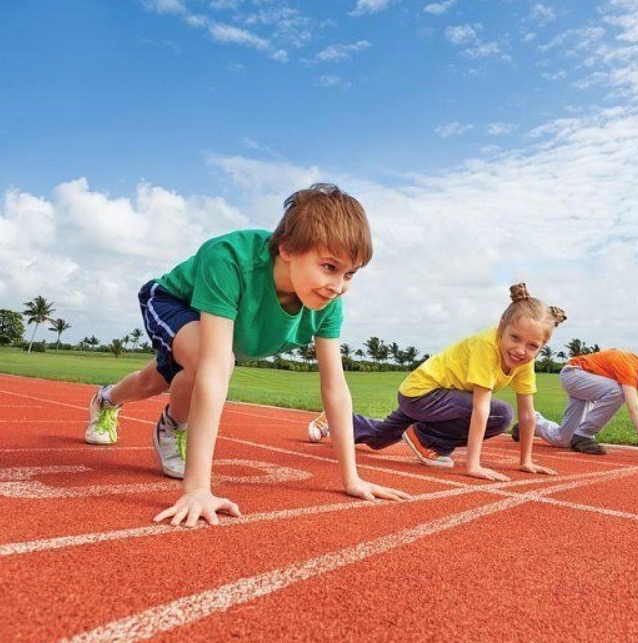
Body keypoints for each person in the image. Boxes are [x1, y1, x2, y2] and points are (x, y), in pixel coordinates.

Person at [85, 183, 411, 527]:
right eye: (329, 266)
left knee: (154, 379)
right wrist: (197, 488)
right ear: (286, 249)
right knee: (213, 365)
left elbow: (335, 388)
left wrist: (352, 479)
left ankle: (106, 399)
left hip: (214, 334)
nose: (338, 285)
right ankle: (173, 427)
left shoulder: (328, 303)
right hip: (173, 301)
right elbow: (213, 370)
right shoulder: (228, 259)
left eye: (350, 274)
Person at [308, 284, 566, 482]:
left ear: (541, 346)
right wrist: (472, 465)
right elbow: (481, 408)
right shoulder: (486, 346)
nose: (521, 350)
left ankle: (334, 420)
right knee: (501, 415)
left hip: (440, 400)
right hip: (423, 394)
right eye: (515, 338)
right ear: (501, 327)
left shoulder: (523, 361)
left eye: (533, 346)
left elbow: (529, 414)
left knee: (379, 438)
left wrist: (526, 460)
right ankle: (426, 439)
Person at [520, 349, 638, 465]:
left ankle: (530, 422)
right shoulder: (629, 364)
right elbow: (635, 409)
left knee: (562, 439)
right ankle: (584, 435)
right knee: (618, 392)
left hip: (590, 384)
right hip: (574, 374)